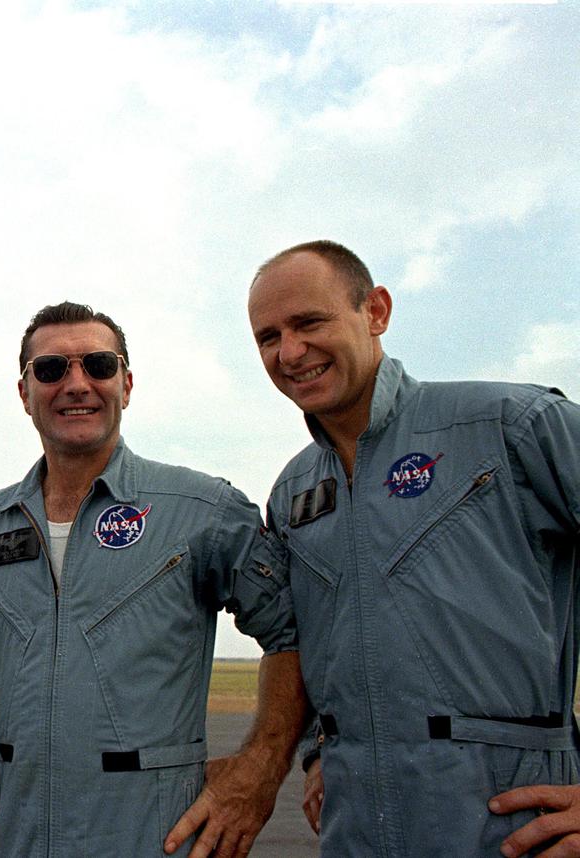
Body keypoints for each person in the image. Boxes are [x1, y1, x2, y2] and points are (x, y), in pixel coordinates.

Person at [247, 240, 580, 857]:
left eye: (309, 323)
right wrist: (321, 748)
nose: (289, 352)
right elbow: (313, 644)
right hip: (358, 832)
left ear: (375, 311)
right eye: (268, 336)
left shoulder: (511, 426)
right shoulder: (293, 492)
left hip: (514, 830)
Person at [0, 301, 307, 858]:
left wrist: (258, 771)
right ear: (24, 393)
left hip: (155, 837)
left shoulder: (203, 510)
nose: (76, 384)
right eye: (51, 370)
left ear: (127, 384)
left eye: (98, 365)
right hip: (18, 837)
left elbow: (296, 631)